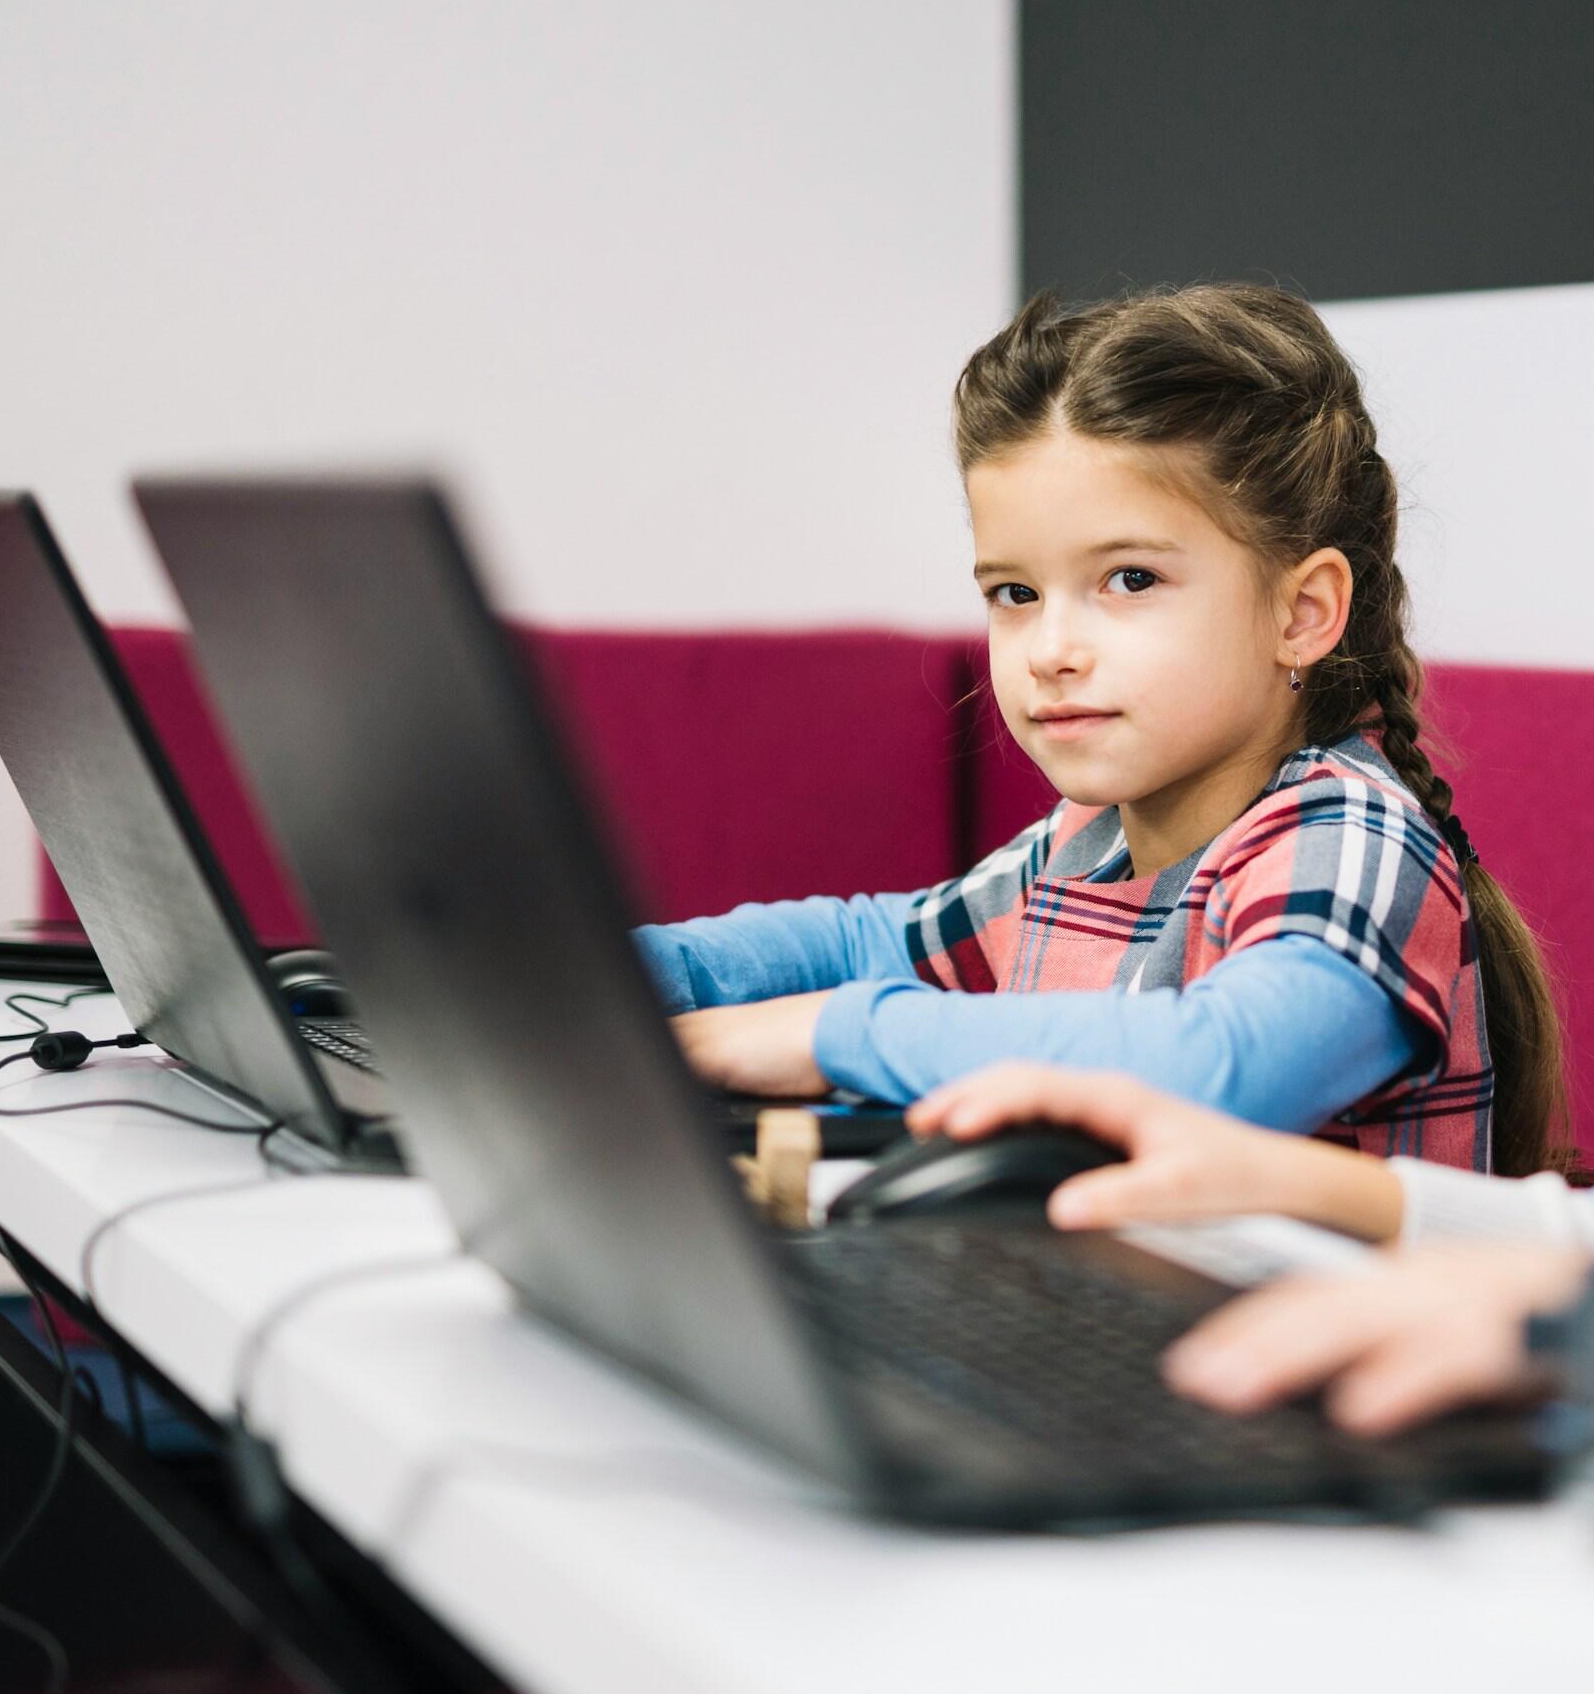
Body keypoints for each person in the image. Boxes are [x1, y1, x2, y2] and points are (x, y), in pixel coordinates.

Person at [637, 285, 1571, 1173]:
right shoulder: (1090, 842)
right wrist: (628, 976)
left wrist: (828, 1035)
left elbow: (1219, 1067)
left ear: (1303, 612)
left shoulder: (1352, 837)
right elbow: (872, 943)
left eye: (1130, 580)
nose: (1049, 649)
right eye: (1014, 593)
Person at [906, 1063, 1591, 1435]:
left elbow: (1235, 1050)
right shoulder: (1068, 854)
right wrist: (1272, 1172)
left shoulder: (1352, 824)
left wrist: (1564, 1320)